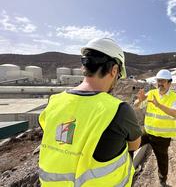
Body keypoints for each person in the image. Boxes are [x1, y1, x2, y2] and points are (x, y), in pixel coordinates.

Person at [38, 38, 142, 186]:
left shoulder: (54, 101)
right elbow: (134, 145)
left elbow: (56, 137)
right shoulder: (119, 110)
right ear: (114, 70)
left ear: (84, 67)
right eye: (118, 76)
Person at [134, 69, 176, 186]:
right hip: (147, 132)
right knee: (130, 146)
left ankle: (162, 181)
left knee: (162, 161)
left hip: (162, 137)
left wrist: (158, 105)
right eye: (158, 81)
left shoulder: (174, 98)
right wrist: (139, 101)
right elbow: (137, 106)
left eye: (163, 81)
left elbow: (175, 113)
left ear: (169, 83)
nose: (160, 84)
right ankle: (130, 169)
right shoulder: (151, 93)